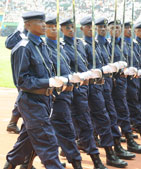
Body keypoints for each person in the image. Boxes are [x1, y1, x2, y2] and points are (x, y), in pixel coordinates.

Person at [3, 11, 65, 169]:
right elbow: (22, 81)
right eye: (39, 22)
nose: (44, 25)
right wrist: (48, 82)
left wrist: (55, 84)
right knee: (49, 144)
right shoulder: (23, 47)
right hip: (31, 102)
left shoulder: (41, 44)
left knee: (25, 143)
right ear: (27, 25)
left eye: (44, 22)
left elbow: (47, 71)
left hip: (44, 101)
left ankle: (9, 166)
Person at [80, 16, 130, 168]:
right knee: (97, 119)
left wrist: (115, 69)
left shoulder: (101, 45)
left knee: (109, 116)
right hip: (91, 87)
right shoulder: (83, 45)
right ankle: (108, 153)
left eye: (102, 27)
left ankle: (114, 148)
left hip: (105, 85)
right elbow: (83, 69)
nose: (100, 29)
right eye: (97, 27)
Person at [60, 18, 107, 169]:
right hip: (66, 92)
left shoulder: (80, 44)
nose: (70, 30)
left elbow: (86, 65)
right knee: (59, 126)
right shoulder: (60, 46)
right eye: (67, 27)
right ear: (62, 30)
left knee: (85, 124)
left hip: (81, 91)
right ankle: (27, 159)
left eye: (72, 27)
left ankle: (96, 160)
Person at [96, 17, 141, 154]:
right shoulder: (103, 44)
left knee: (122, 111)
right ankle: (113, 145)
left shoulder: (122, 44)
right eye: (112, 28)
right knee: (108, 115)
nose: (114, 30)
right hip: (106, 84)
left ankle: (126, 140)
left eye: (117, 28)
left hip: (121, 83)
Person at [45, 15, 83, 169]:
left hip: (68, 94)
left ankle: (25, 162)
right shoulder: (45, 48)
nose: (53, 29)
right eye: (50, 26)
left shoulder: (59, 47)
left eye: (55, 26)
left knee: (39, 133)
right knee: (65, 128)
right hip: (56, 96)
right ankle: (76, 163)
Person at [5, 17, 29, 134]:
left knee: (23, 95)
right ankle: (15, 123)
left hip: (28, 69)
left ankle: (13, 123)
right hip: (21, 70)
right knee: (24, 95)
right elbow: (8, 44)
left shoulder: (33, 35)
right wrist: (18, 30)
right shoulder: (21, 35)